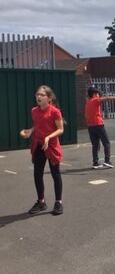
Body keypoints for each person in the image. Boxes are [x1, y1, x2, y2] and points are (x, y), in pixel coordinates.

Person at [21, 85, 65, 215]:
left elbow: (60, 129)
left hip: (51, 145)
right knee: (37, 174)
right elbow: (38, 124)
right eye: (37, 95)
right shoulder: (34, 111)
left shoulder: (55, 111)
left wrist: (48, 137)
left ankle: (58, 202)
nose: (38, 97)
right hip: (38, 145)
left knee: (55, 174)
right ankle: (41, 202)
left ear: (49, 98)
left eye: (42, 95)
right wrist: (31, 131)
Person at [85, 87, 115, 169]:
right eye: (98, 93)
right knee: (106, 142)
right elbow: (107, 98)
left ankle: (95, 163)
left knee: (95, 145)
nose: (99, 95)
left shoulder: (88, 102)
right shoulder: (95, 100)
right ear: (94, 94)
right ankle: (107, 161)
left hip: (90, 126)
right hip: (98, 125)